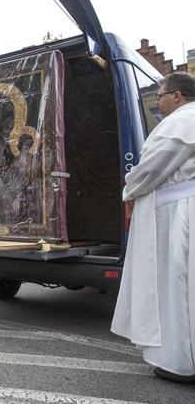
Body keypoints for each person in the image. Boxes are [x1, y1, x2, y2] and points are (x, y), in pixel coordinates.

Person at [111, 72, 195, 384]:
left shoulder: (182, 122)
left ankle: (178, 363)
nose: (157, 102)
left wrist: (128, 186)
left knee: (173, 287)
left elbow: (152, 170)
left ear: (177, 95)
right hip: (178, 211)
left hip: (174, 218)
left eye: (160, 96)